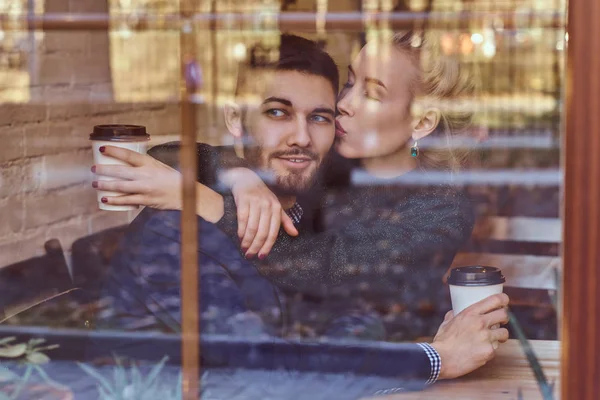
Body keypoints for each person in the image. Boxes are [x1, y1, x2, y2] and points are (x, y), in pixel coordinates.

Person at [93, 33, 509, 385]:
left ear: (421, 122)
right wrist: (237, 174)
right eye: (349, 83)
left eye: (371, 92)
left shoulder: (438, 208)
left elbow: (324, 271)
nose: (344, 103)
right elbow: (171, 155)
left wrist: (210, 201)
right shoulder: (321, 166)